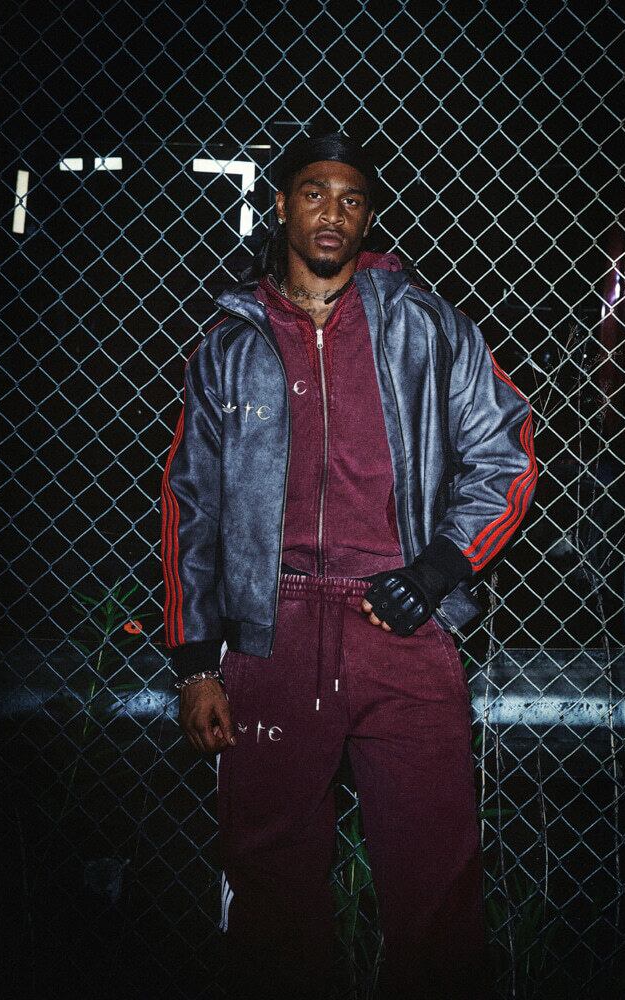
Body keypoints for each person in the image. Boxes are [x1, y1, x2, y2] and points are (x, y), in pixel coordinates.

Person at [160, 132, 538, 999]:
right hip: (272, 629)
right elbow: (190, 503)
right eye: (314, 193)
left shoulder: (426, 323)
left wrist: (436, 572)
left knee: (435, 874)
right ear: (281, 206)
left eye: (352, 199)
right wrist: (195, 665)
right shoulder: (229, 344)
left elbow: (508, 451)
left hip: (397, 620)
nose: (332, 213)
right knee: (270, 876)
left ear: (368, 218)